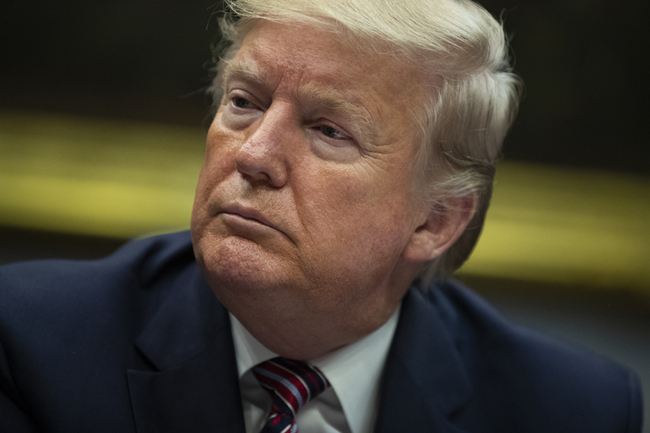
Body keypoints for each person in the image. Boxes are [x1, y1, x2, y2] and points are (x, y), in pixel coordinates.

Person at [0, 0, 643, 432]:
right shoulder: (30, 344)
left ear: (435, 222)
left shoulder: (570, 411)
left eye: (329, 131)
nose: (253, 155)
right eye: (244, 102)